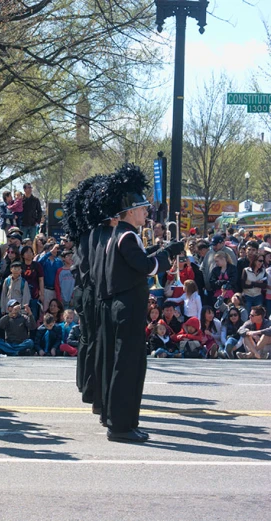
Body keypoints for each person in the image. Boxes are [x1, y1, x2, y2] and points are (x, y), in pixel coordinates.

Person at [102, 164, 180, 443]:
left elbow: (138, 260)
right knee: (127, 366)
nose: (147, 213)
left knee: (131, 364)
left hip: (125, 305)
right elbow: (144, 266)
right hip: (128, 307)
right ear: (132, 211)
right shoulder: (126, 236)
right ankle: (121, 426)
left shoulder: (122, 235)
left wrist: (162, 251)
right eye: (143, 208)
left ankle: (125, 422)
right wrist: (165, 257)